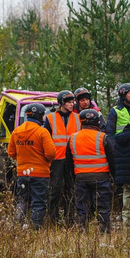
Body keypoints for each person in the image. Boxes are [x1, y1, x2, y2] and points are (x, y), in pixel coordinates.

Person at [7, 104, 62, 230]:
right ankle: (35, 230)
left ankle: (18, 227)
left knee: (22, 201)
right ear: (39, 116)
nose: (44, 118)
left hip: (22, 173)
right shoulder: (42, 132)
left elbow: (11, 153)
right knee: (38, 203)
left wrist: (23, 159)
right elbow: (51, 153)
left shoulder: (17, 131)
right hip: (40, 174)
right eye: (43, 115)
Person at [71, 109, 114, 233]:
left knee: (82, 208)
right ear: (97, 122)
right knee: (103, 207)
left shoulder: (73, 138)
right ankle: (104, 232)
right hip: (101, 178)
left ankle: (82, 231)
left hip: (81, 178)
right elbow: (112, 159)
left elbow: (69, 162)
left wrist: (73, 178)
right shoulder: (103, 137)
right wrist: (113, 176)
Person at [45, 91, 80, 224]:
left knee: (71, 190)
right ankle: (52, 219)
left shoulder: (77, 118)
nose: (72, 104)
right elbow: (46, 139)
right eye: (69, 102)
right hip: (56, 160)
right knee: (55, 190)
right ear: (62, 103)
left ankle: (70, 219)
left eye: (73, 102)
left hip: (72, 159)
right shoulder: (50, 118)